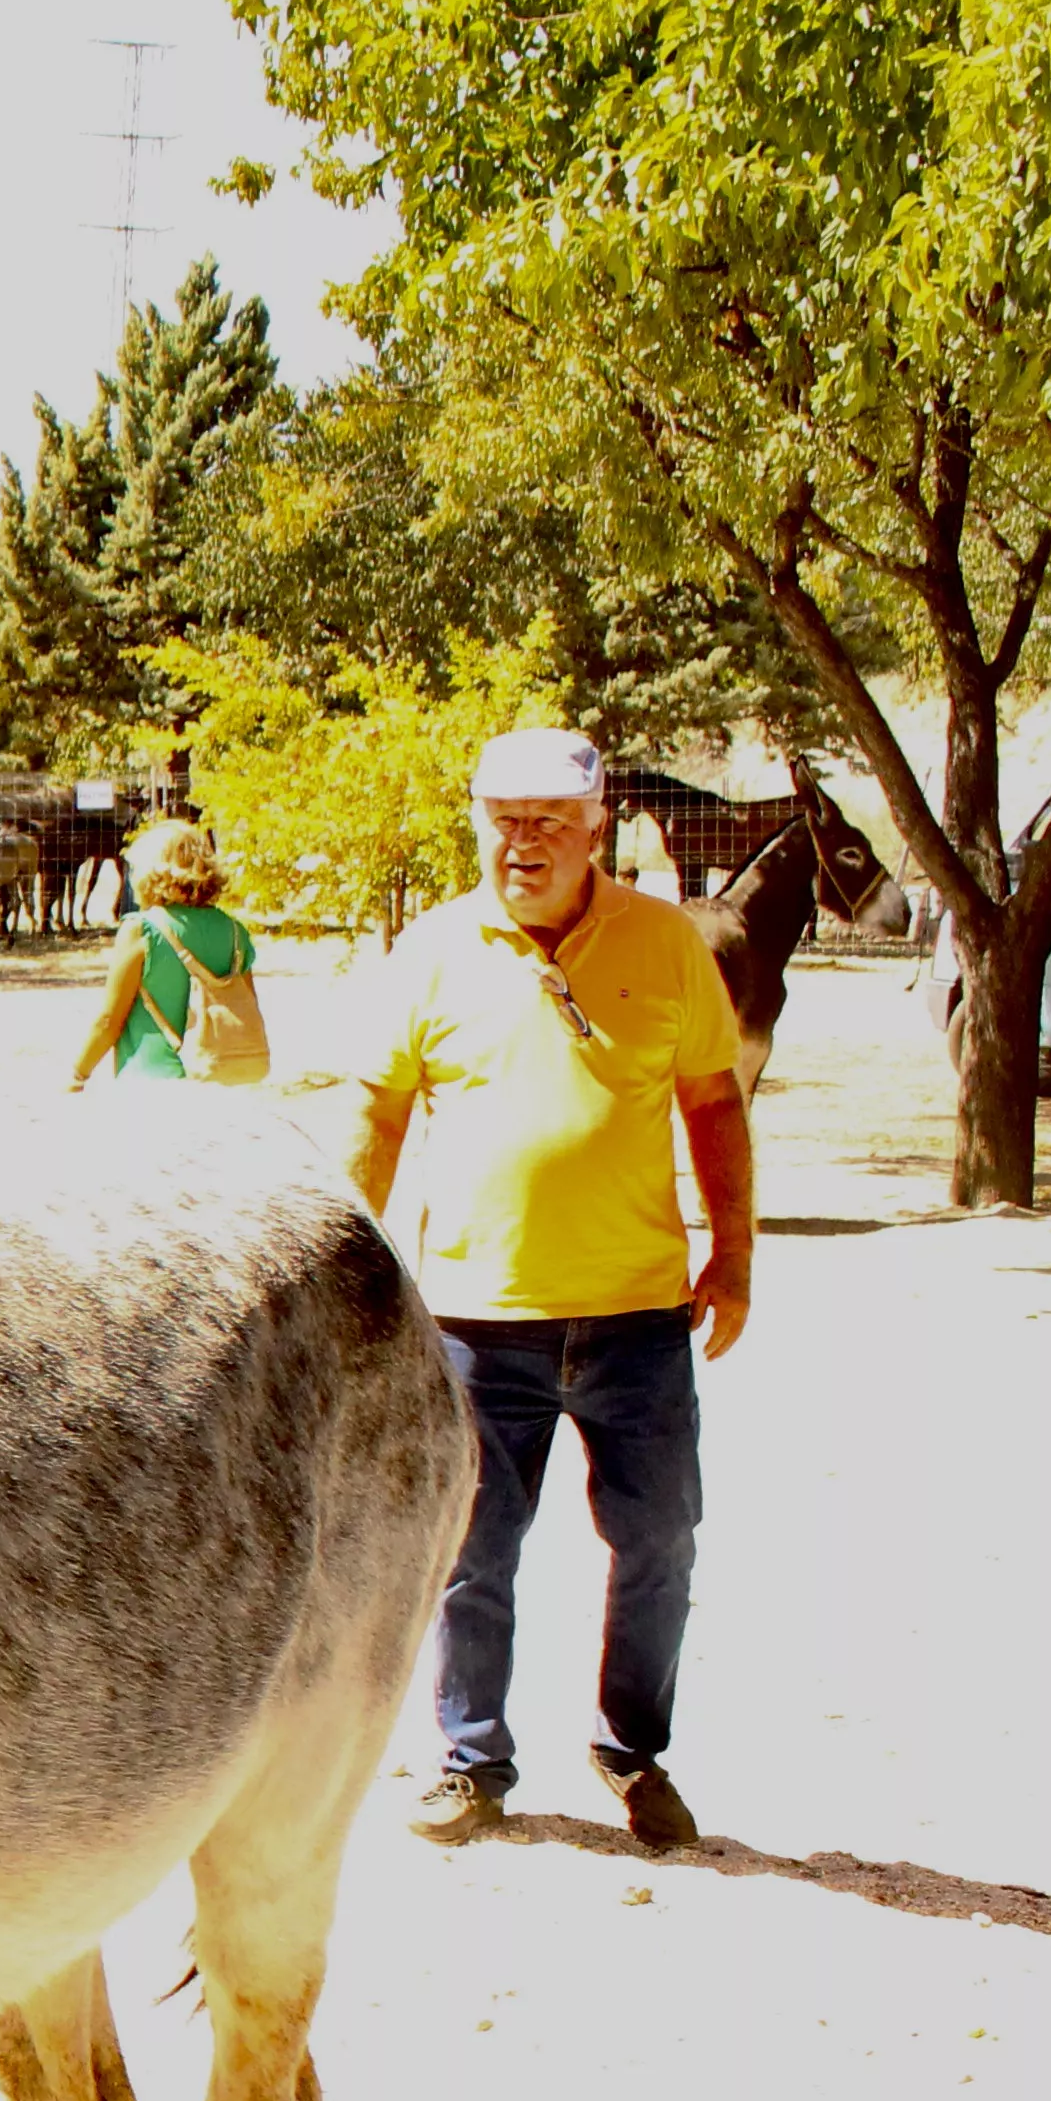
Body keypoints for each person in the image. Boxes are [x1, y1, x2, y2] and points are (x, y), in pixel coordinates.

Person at [354, 725, 753, 1854]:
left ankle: (633, 1749)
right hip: (480, 1320)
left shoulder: (667, 943)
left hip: (638, 1317)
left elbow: (714, 1105)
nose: (520, 844)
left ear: (596, 829)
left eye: (547, 824)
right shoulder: (433, 950)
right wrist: (345, 1270)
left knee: (662, 1538)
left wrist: (737, 1251)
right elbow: (377, 1114)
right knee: (470, 1552)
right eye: (501, 820)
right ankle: (470, 1762)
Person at [70, 818, 254, 1085]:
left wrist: (79, 1073)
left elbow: (109, 1020)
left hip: (151, 1079)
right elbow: (245, 1006)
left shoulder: (142, 929)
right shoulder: (234, 930)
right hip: (219, 1076)